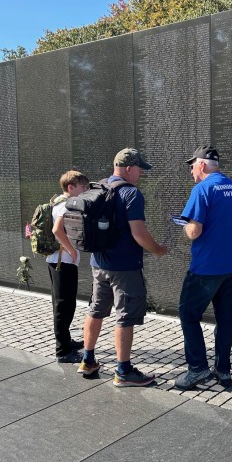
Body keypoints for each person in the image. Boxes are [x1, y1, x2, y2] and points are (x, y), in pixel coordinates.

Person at [78, 148, 168, 386]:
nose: (141, 174)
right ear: (129, 169)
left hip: (98, 263)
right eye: (139, 169)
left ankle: (88, 359)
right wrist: (158, 249)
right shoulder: (131, 194)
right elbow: (138, 233)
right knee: (125, 317)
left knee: (96, 309)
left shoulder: (99, 186)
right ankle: (124, 371)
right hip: (125, 266)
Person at [175, 145, 232, 390]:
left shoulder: (202, 189)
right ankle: (224, 371)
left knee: (188, 315)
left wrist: (185, 226)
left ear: (201, 164)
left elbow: (194, 231)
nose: (191, 171)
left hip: (206, 267)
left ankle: (197, 369)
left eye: (192, 166)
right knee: (224, 319)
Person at [49, 170, 90, 363]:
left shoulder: (57, 202)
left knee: (64, 304)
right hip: (62, 262)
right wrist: (71, 251)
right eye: (82, 187)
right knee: (64, 306)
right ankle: (63, 351)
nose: (85, 191)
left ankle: (66, 341)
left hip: (59, 261)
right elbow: (56, 230)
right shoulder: (65, 206)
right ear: (71, 187)